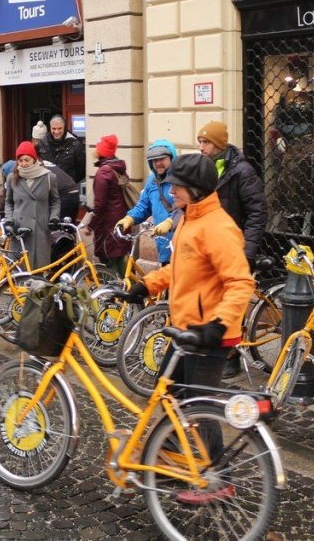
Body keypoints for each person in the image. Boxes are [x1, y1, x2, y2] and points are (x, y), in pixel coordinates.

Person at [120, 154, 255, 498]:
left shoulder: (218, 227)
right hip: (186, 329)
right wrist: (146, 285)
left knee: (199, 406)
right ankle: (172, 458)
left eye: (178, 186)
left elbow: (241, 283)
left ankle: (219, 480)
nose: (172, 192)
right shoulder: (188, 219)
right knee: (167, 395)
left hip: (209, 335)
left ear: (195, 189)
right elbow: (181, 269)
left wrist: (218, 324)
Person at [197, 121, 268, 377]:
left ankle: (231, 355)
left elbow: (257, 213)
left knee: (231, 302)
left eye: (206, 142)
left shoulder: (242, 171)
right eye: (200, 142)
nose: (201, 147)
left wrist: (247, 251)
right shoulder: (204, 167)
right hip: (211, 245)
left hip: (234, 246)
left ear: (219, 144)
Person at [115, 138, 177, 266]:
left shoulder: (180, 180)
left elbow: (186, 208)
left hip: (180, 245)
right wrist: (129, 218)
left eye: (162, 159)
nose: (158, 163)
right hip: (163, 244)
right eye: (154, 160)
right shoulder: (152, 181)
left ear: (172, 158)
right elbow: (144, 206)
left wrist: (170, 222)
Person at [4, 141, 59, 270]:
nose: (24, 163)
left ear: (34, 159)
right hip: (19, 230)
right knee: (19, 272)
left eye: (27, 160)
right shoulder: (12, 178)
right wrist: (9, 220)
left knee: (39, 271)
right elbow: (8, 202)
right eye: (20, 160)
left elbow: (55, 201)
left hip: (40, 230)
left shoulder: (49, 177)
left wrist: (54, 218)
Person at [90, 134, 131, 275]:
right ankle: (127, 287)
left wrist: (91, 225)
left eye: (97, 147)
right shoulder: (117, 167)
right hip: (120, 220)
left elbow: (99, 204)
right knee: (120, 259)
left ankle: (112, 288)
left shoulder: (104, 172)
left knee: (109, 264)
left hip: (108, 226)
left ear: (102, 151)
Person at [38, 115, 86, 184]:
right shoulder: (42, 143)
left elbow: (81, 171)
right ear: (50, 128)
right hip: (48, 186)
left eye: (59, 128)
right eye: (54, 128)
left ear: (64, 128)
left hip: (68, 187)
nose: (56, 132)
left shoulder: (75, 144)